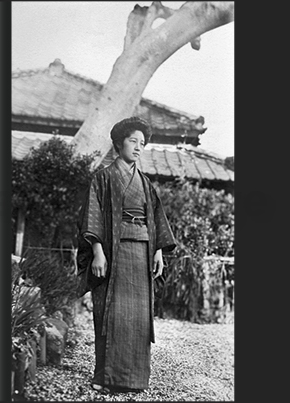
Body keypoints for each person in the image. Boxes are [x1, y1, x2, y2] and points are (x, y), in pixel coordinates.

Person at [78, 116, 176, 393]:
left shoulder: (145, 183)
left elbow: (156, 220)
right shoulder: (103, 178)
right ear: (119, 142)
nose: (138, 147)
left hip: (142, 253)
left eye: (142, 143)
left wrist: (157, 251)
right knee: (111, 314)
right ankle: (105, 377)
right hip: (113, 251)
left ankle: (134, 380)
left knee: (137, 316)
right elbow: (92, 216)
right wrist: (97, 251)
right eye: (133, 141)